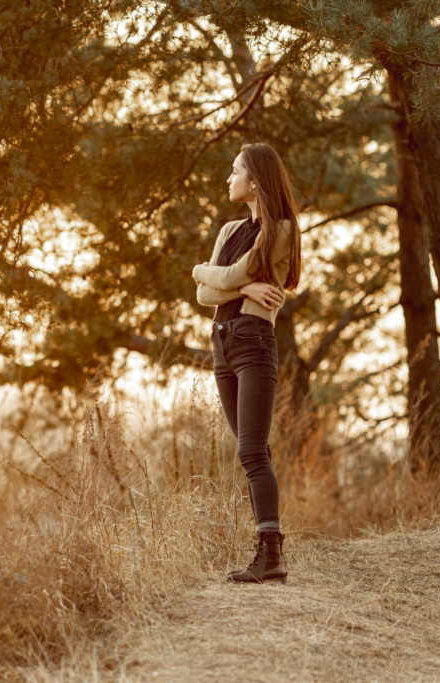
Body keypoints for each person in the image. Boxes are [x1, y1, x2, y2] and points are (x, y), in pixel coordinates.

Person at [192, 142, 302, 584]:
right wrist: (239, 287)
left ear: (254, 180)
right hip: (222, 342)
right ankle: (268, 550)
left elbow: (230, 275)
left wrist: (206, 271)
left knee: (251, 451)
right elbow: (206, 294)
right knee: (251, 451)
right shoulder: (229, 229)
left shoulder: (282, 230)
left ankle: (270, 554)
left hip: (254, 341)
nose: (228, 178)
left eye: (234, 171)